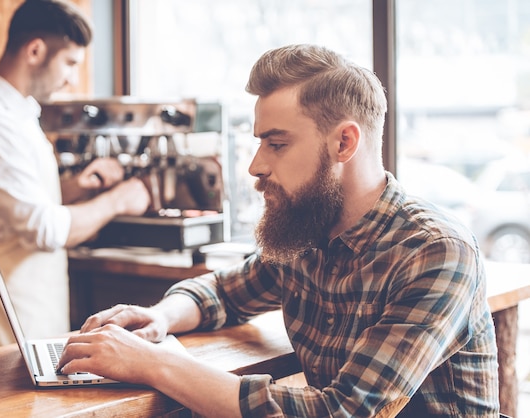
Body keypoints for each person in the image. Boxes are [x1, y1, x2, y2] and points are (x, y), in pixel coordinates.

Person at [57, 44, 500, 417]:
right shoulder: (309, 232)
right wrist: (161, 316)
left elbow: (344, 411)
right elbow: (226, 292)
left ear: (344, 143)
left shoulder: (436, 253)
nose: (255, 166)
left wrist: (155, 365)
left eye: (277, 144)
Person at [0, 0, 150, 352]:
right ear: (35, 50)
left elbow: (15, 205)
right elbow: (43, 228)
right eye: (69, 63)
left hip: (28, 306)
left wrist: (72, 187)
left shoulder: (16, 110)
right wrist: (118, 201)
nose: (71, 79)